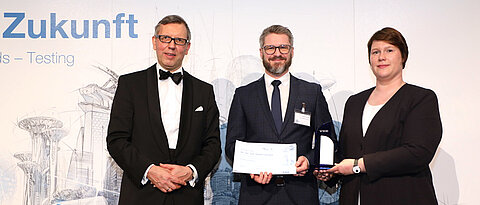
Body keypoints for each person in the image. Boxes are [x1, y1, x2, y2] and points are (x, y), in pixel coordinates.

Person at [316, 27, 442, 205]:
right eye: (375, 52)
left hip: (403, 196)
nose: (381, 57)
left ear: (403, 56)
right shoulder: (354, 102)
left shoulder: (421, 99)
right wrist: (331, 171)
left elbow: (418, 153)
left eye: (389, 50)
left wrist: (358, 166)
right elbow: (347, 152)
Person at [106, 15, 221, 205]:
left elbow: (213, 144)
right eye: (165, 38)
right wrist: (149, 170)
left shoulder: (204, 91)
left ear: (187, 47)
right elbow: (116, 140)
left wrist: (191, 171)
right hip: (140, 195)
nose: (171, 45)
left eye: (179, 40)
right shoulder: (130, 85)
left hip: (187, 195)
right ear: (154, 42)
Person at [225, 25, 336, 205]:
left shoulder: (311, 92)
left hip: (301, 194)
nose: (277, 53)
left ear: (292, 51)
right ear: (261, 52)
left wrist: (309, 160)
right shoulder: (243, 95)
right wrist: (252, 168)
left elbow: (328, 141)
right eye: (270, 48)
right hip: (256, 195)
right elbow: (231, 145)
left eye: (283, 47)